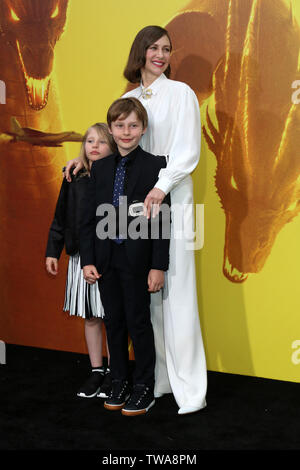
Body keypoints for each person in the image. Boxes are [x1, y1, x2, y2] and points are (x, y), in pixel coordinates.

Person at [65, 25, 207, 415]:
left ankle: (189, 387)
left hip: (170, 199)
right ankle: (156, 379)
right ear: (140, 52)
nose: (161, 55)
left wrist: (160, 188)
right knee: (145, 304)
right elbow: (112, 143)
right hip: (131, 210)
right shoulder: (127, 98)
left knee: (174, 292)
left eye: (167, 49)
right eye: (154, 48)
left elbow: (186, 152)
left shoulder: (182, 94)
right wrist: (83, 159)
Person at [80, 97, 170, 416]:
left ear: (143, 129)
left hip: (138, 262)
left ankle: (144, 385)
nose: (126, 131)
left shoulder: (156, 165)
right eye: (119, 125)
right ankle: (119, 380)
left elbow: (161, 219)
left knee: (138, 323)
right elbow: (89, 218)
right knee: (113, 322)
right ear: (112, 129)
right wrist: (88, 259)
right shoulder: (101, 167)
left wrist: (158, 265)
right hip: (106, 261)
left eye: (133, 125)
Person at [45, 123, 116, 399]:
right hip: (80, 259)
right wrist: (53, 250)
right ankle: (97, 370)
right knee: (91, 316)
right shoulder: (73, 177)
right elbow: (61, 216)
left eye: (101, 142)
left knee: (113, 316)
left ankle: (115, 370)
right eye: (89, 141)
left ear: (113, 146)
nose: (94, 146)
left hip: (110, 258)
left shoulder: (118, 178)